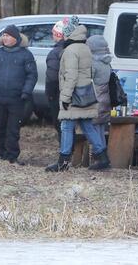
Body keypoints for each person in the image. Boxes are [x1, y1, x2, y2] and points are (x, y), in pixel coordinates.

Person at [45, 23, 109, 172]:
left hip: (74, 95)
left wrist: (65, 97)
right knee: (87, 125)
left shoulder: (70, 50)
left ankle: (63, 161)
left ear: (70, 34)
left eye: (65, 33)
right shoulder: (86, 48)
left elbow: (71, 76)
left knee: (66, 126)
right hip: (86, 93)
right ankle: (103, 156)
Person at [0, 25, 37, 164]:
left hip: (17, 99)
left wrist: (26, 91)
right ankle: (0, 154)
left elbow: (32, 75)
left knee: (13, 129)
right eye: (3, 35)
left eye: (8, 35)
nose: (5, 38)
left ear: (15, 38)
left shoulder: (26, 54)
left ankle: (12, 156)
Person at [45, 16, 77, 137]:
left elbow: (52, 78)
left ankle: (66, 151)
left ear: (59, 34)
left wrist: (51, 96)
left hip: (60, 95)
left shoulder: (55, 53)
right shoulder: (79, 49)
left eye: (54, 33)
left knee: (62, 126)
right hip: (77, 94)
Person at [87, 35, 112, 153]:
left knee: (95, 130)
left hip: (96, 100)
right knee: (100, 129)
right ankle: (103, 153)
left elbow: (86, 79)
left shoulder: (94, 64)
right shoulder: (107, 63)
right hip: (105, 100)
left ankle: (99, 155)